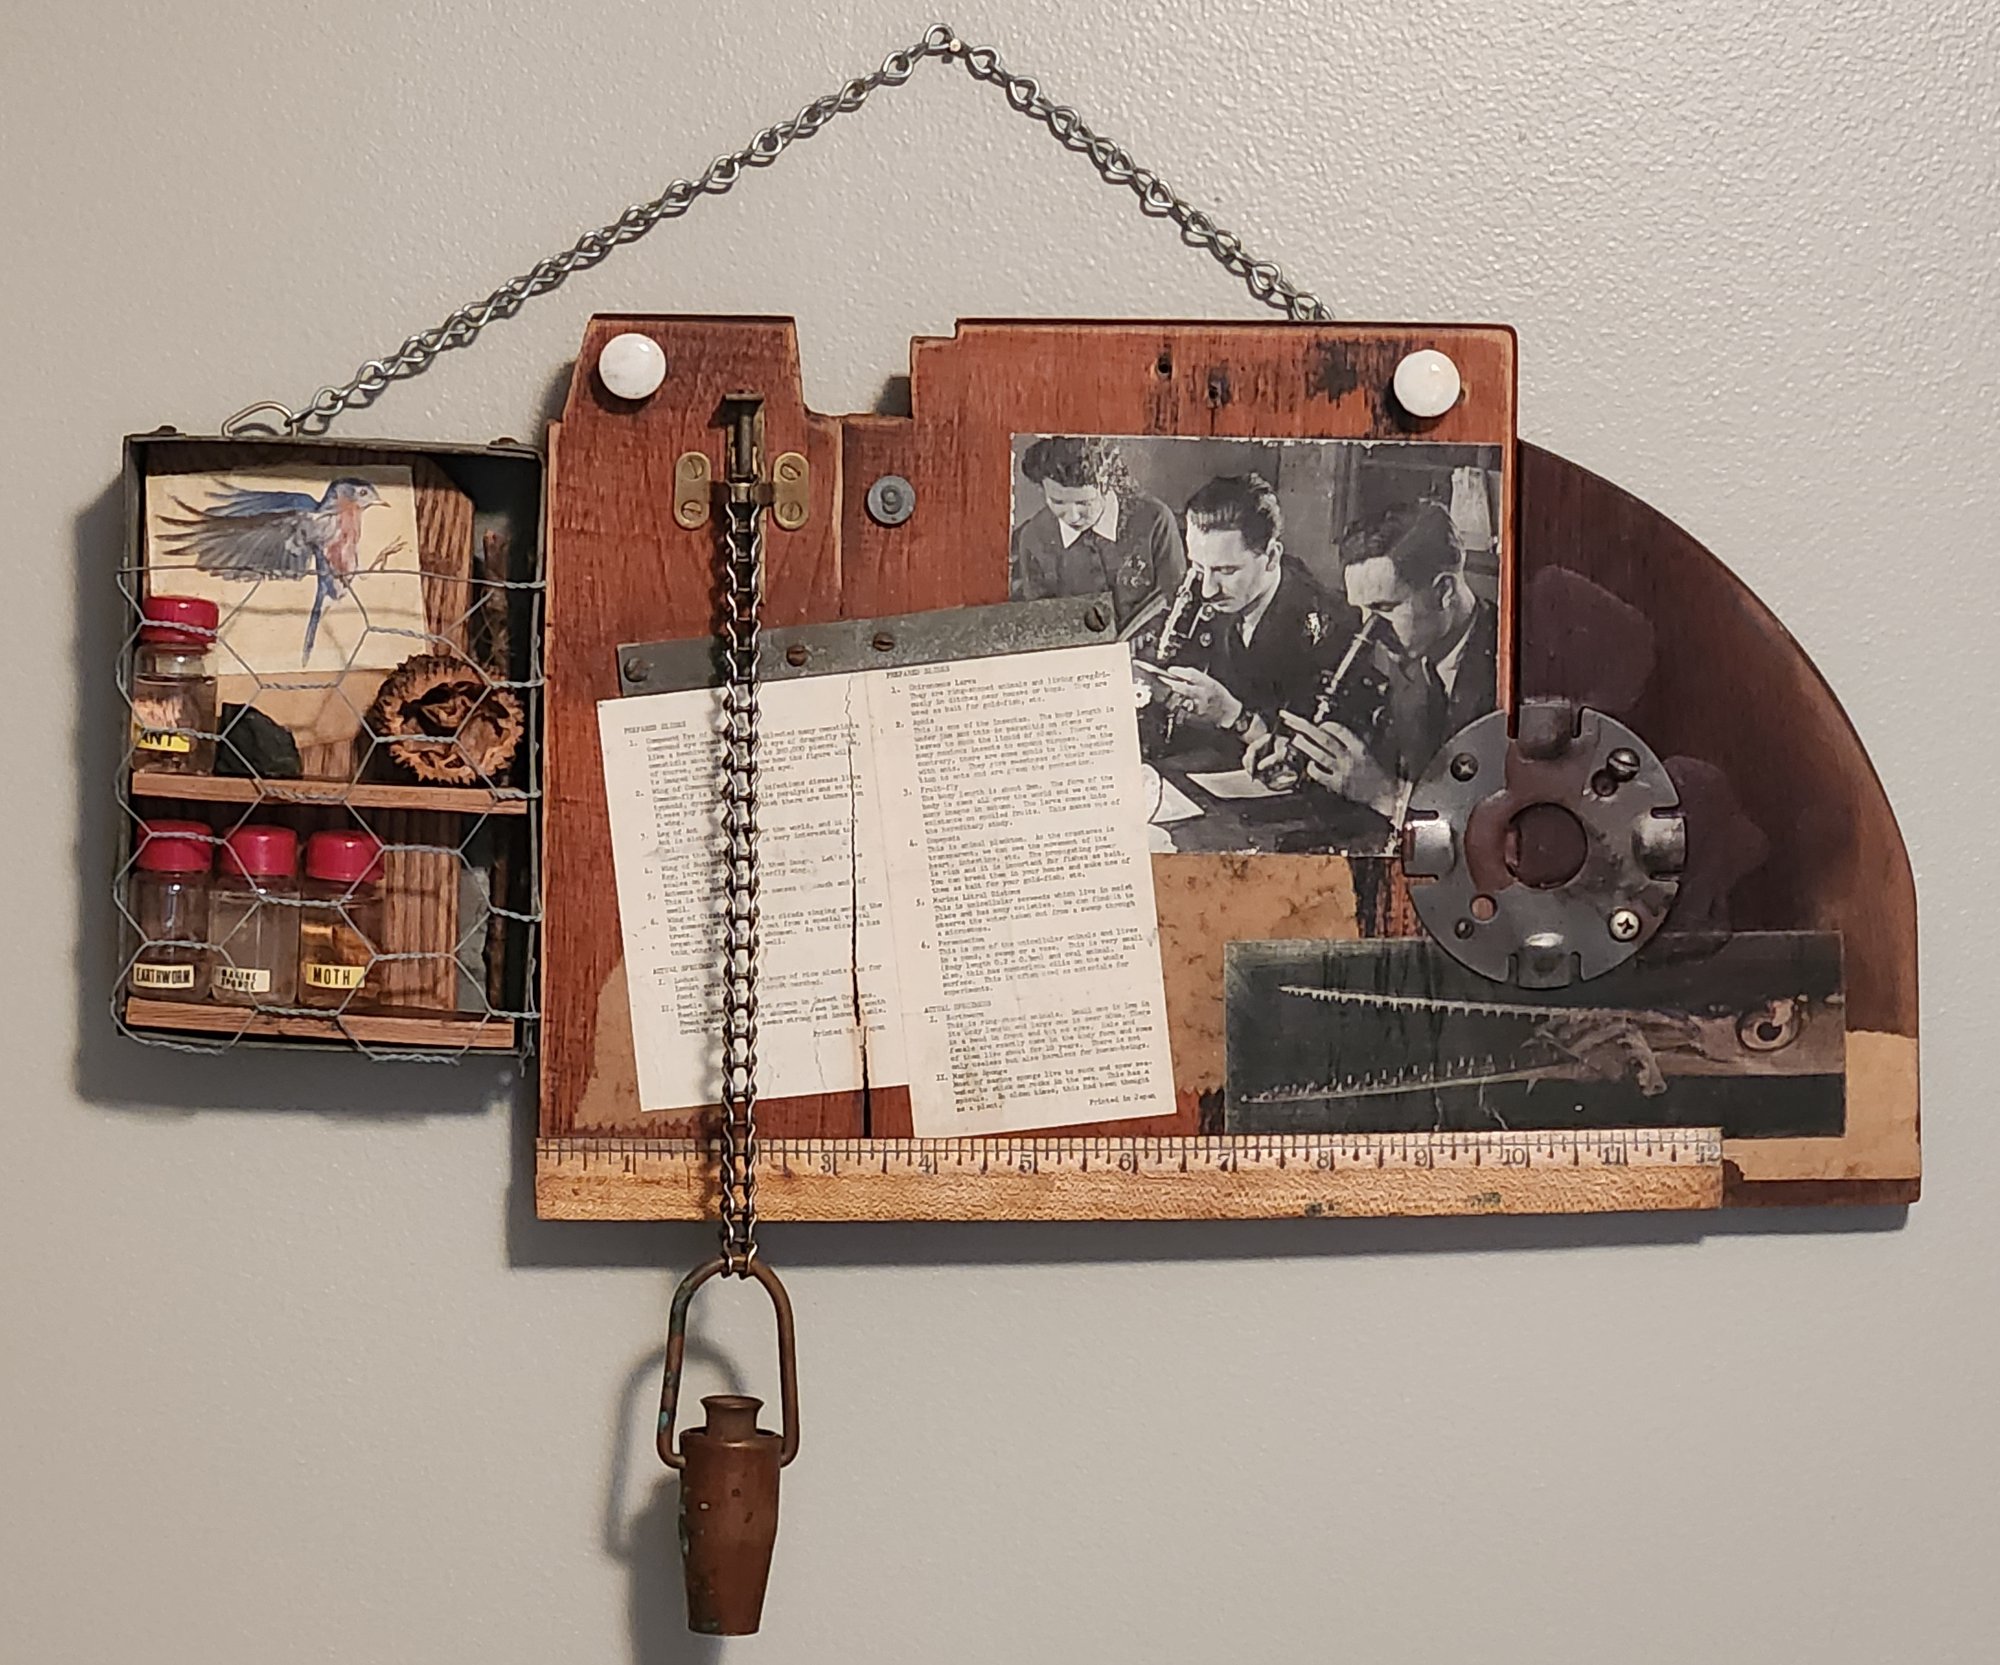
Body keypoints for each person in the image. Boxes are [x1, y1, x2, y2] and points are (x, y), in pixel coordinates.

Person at [1251, 499, 1498, 820]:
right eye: (1362, 610)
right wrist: (1305, 754)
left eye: (1383, 608)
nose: (1369, 631)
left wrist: (1384, 795)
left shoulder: (1510, 671)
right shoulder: (1413, 653)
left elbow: (1489, 822)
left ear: (1444, 591)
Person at [1141, 473, 1349, 751]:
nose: (1207, 591)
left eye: (1226, 571)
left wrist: (1232, 715)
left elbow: (1313, 754)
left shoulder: (1321, 625)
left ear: (1271, 557)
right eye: (1198, 567)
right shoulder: (1216, 591)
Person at [1010, 437, 1185, 631]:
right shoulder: (1033, 537)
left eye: (1084, 503)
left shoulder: (1155, 519)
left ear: (1107, 484)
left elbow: (1176, 601)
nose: (1073, 516)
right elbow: (1041, 621)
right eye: (1057, 502)